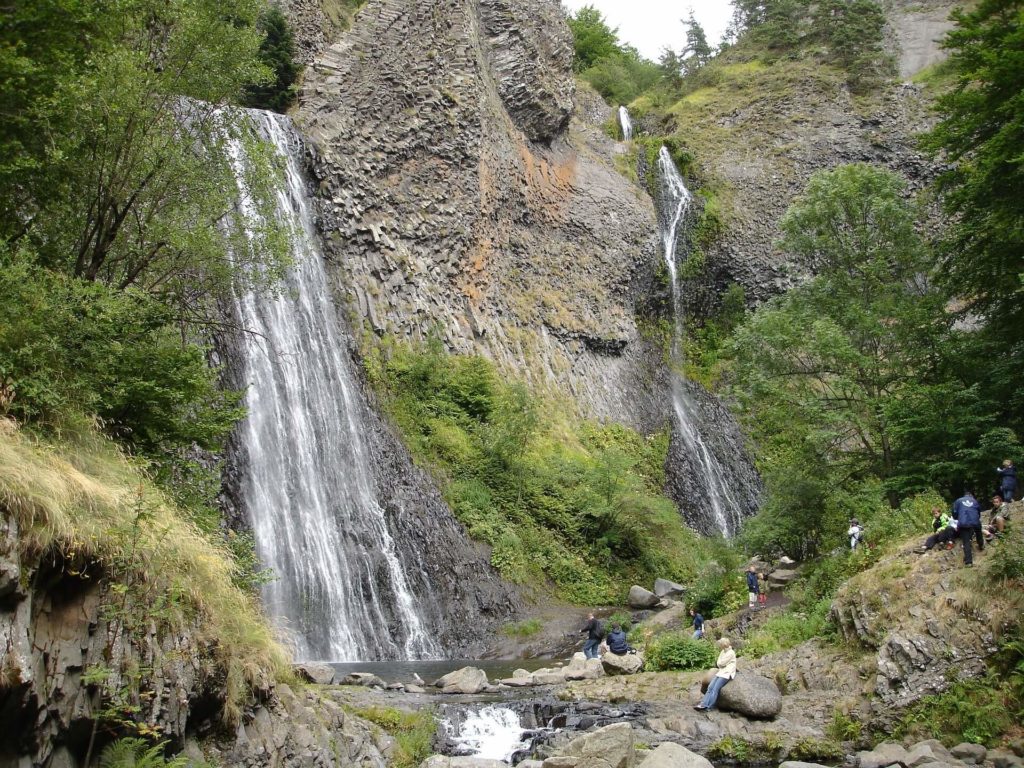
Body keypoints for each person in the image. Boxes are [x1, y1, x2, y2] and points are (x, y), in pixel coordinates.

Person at [695, 637, 736, 711]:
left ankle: (710, 706)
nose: (719, 645)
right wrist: (720, 663)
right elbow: (719, 663)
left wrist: (720, 663)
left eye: (720, 644)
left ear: (723, 644)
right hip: (720, 672)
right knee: (710, 687)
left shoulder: (731, 653)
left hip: (727, 673)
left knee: (715, 689)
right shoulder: (723, 651)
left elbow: (721, 663)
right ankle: (703, 704)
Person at [953, 490, 984, 567]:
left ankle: (969, 562)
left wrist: (957, 518)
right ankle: (981, 544)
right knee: (978, 531)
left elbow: (954, 512)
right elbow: (978, 512)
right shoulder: (974, 501)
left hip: (963, 523)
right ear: (971, 495)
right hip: (975, 521)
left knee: (966, 542)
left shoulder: (958, 501)